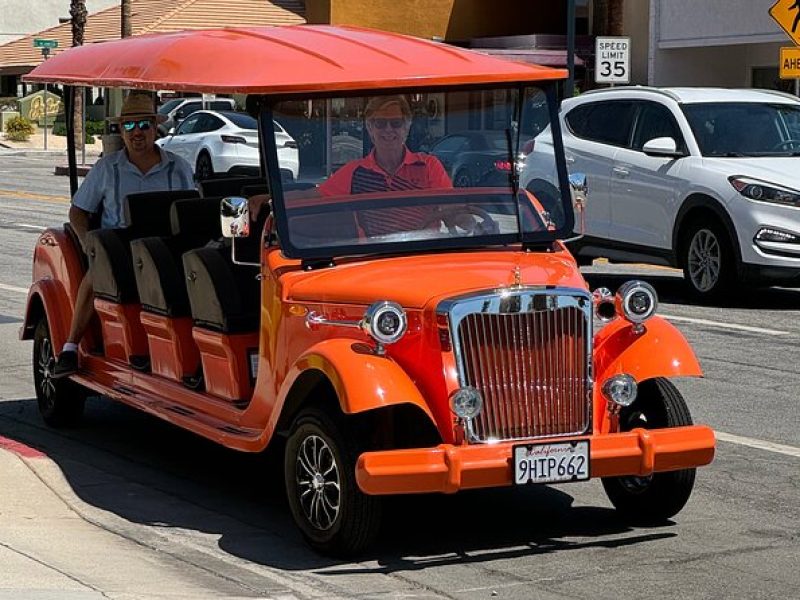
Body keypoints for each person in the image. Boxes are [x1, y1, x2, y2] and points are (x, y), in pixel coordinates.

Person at [53, 93, 195, 377]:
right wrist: (87, 242)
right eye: (128, 126)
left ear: (156, 128)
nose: (136, 133)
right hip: (118, 248)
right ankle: (70, 347)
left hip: (165, 247)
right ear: (120, 131)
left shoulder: (178, 167)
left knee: (198, 271)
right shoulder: (107, 168)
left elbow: (192, 208)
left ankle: (186, 355)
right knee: (97, 273)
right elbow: (78, 211)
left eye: (143, 124)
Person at [317, 95, 451, 236]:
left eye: (396, 123)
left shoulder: (428, 166)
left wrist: (465, 221)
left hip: (421, 253)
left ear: (406, 127)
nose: (388, 129)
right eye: (380, 123)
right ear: (370, 128)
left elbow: (452, 207)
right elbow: (312, 197)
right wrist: (290, 197)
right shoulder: (355, 171)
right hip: (374, 254)